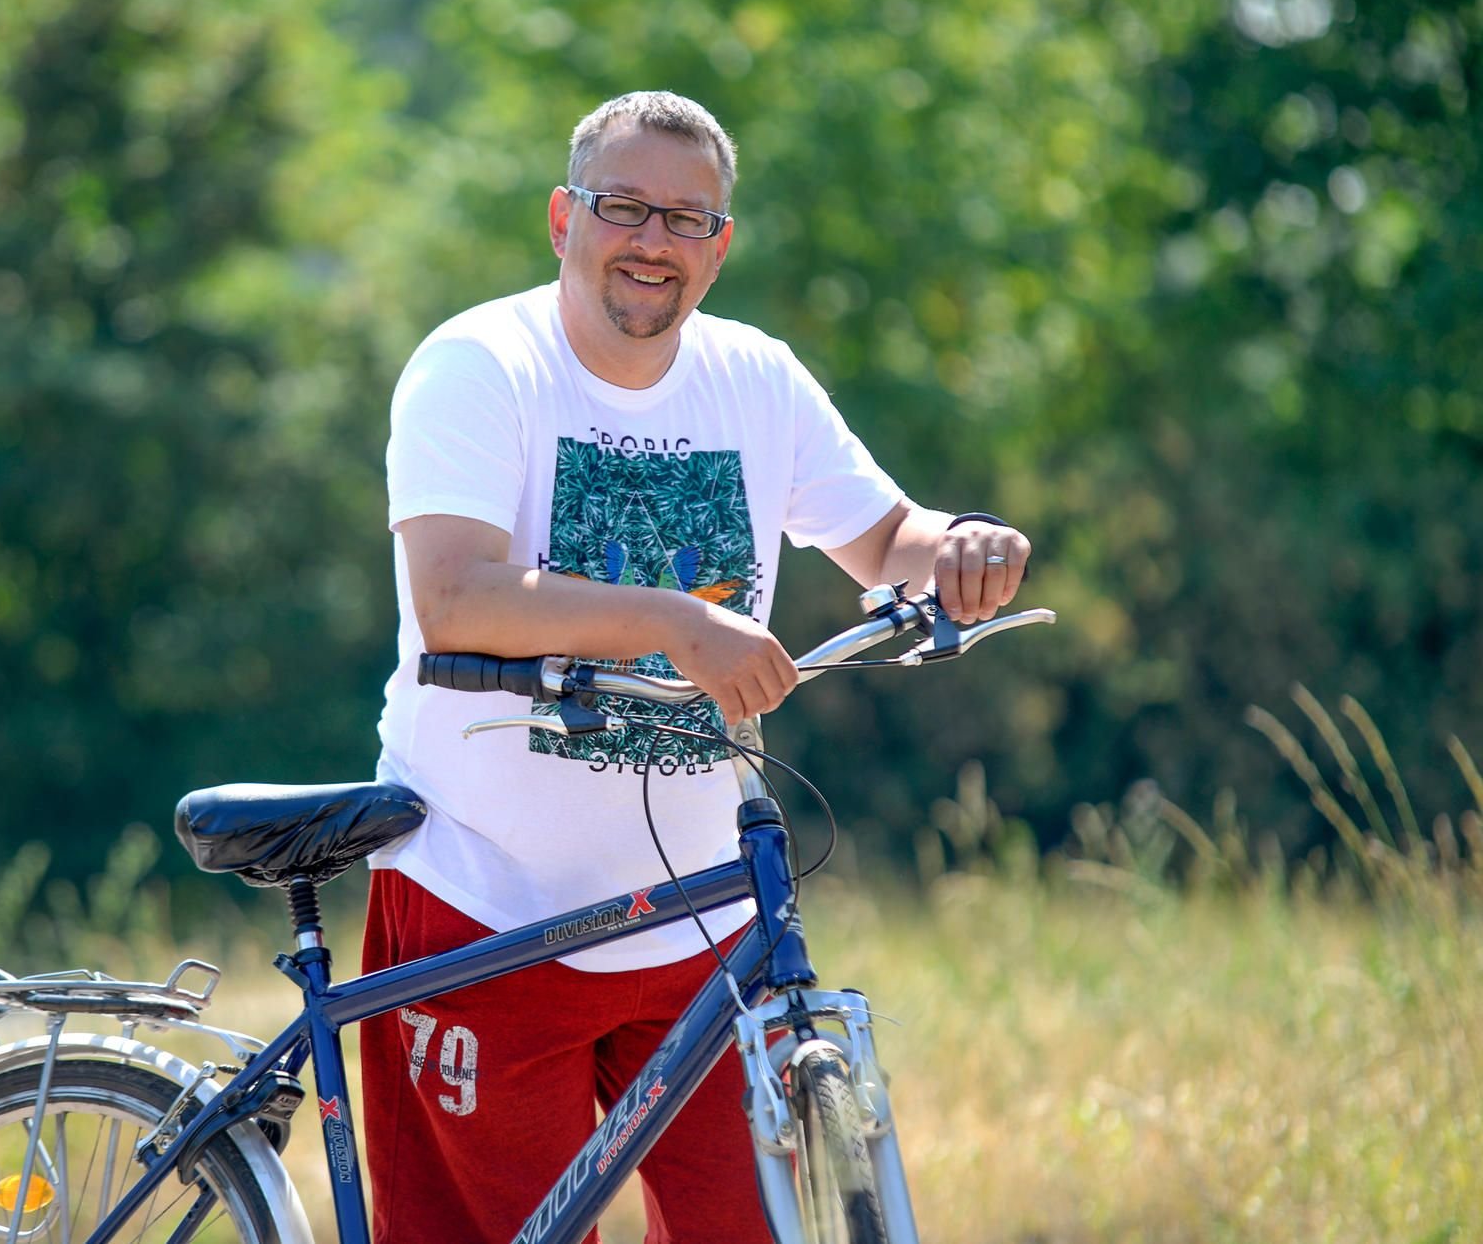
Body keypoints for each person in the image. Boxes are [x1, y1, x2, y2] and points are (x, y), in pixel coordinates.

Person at [361, 90, 1030, 1244]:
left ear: (720, 247)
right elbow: (457, 593)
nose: (653, 242)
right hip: (484, 904)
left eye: (686, 219)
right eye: (625, 208)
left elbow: (882, 538)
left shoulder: (754, 378)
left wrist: (961, 543)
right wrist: (677, 621)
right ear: (563, 219)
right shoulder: (479, 365)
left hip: (696, 919)